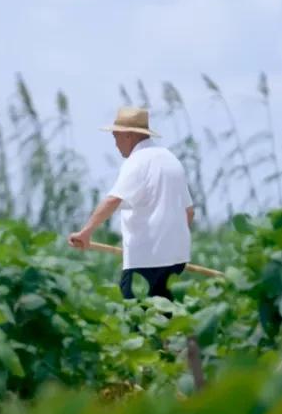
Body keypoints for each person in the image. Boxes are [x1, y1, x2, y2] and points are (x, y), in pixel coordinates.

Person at [68, 106, 194, 302]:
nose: (115, 143)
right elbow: (189, 212)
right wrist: (170, 243)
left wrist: (85, 233)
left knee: (134, 319)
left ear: (129, 135)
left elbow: (113, 200)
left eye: (116, 136)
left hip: (145, 261)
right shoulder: (171, 159)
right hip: (176, 260)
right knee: (165, 320)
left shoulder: (138, 161)